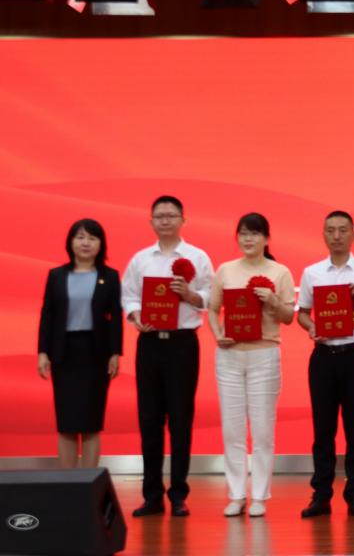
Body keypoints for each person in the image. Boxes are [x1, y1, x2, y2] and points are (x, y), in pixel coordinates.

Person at [122, 195, 214, 518]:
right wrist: (136, 316)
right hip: (149, 344)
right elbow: (129, 296)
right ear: (151, 222)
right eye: (159, 216)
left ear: (183, 220)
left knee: (180, 419)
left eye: (171, 215)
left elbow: (211, 297)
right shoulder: (140, 259)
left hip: (182, 344)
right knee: (149, 419)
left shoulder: (197, 257)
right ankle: (151, 495)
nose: (165, 220)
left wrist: (190, 295)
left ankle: (178, 494)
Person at [296, 211, 354, 519]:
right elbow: (303, 313)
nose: (336, 236)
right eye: (331, 230)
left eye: (342, 230)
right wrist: (311, 326)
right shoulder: (312, 273)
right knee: (323, 430)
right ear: (323, 235)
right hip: (323, 357)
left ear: (353, 234)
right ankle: (321, 495)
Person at [208, 213, 295, 518]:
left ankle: (259, 495)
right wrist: (217, 334)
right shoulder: (225, 270)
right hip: (230, 356)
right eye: (243, 233)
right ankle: (235, 494)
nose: (248, 239)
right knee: (232, 430)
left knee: (262, 430)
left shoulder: (280, 272)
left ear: (266, 239)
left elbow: (288, 317)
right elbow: (213, 308)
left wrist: (272, 300)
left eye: (255, 234)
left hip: (264, 355)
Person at [38, 219, 122, 469]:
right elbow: (48, 315)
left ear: (101, 244)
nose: (86, 243)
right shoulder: (56, 275)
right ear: (71, 242)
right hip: (64, 353)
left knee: (91, 423)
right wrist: (43, 352)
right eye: (80, 237)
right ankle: (67, 482)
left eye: (92, 238)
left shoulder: (109, 276)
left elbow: (116, 318)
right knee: (66, 423)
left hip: (96, 354)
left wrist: (115, 352)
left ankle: (88, 481)